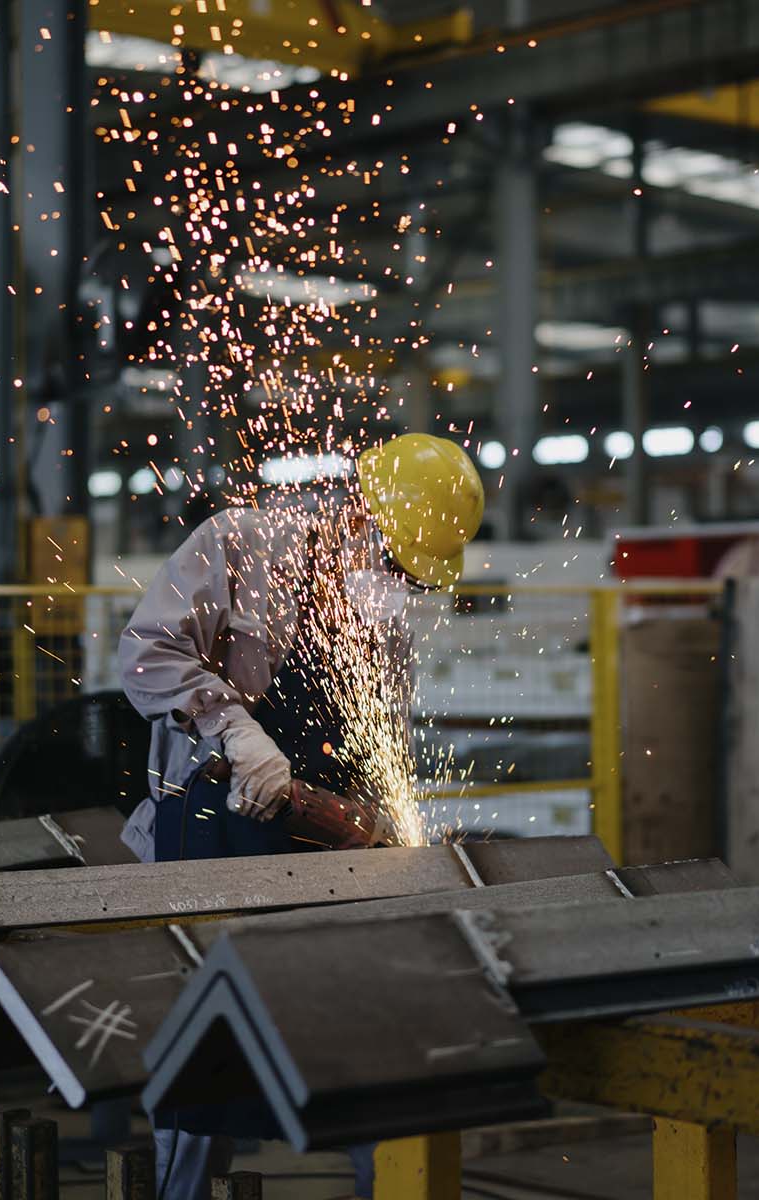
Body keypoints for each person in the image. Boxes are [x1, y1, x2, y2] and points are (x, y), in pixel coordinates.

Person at [118, 433, 484, 1200]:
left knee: (359, 1032)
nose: (394, 581)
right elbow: (147, 654)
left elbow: (381, 734)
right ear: (359, 511)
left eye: (407, 574)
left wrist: (388, 820)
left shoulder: (378, 609)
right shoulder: (241, 543)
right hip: (217, 827)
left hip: (326, 841)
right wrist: (235, 729)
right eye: (393, 561)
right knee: (207, 1054)